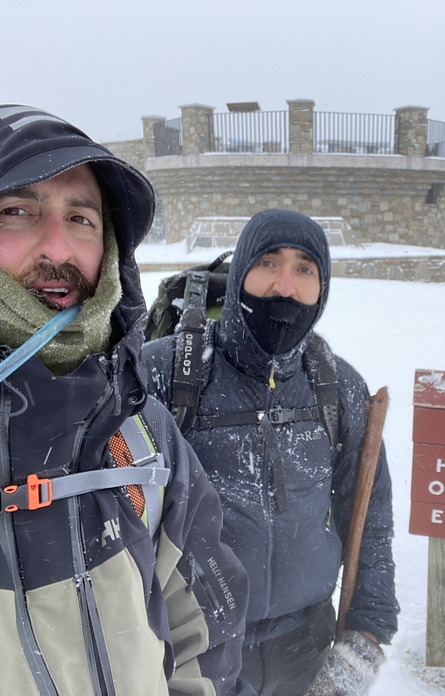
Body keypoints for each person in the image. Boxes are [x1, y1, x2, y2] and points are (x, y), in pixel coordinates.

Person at [0, 105, 252, 695]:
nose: (60, 248)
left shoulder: (137, 431)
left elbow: (204, 622)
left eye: (82, 218)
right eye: (15, 212)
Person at [142, 209, 399, 695]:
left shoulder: (337, 386)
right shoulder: (164, 375)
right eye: (268, 263)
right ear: (240, 273)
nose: (285, 286)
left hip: (306, 645)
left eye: (305, 269)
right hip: (188, 647)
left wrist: (364, 637)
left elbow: (370, 517)